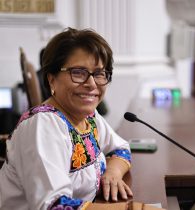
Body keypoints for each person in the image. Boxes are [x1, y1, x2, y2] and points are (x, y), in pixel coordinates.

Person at [0, 27, 133, 210]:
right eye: (78, 72)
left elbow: (121, 149)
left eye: (100, 73)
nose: (92, 84)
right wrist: (131, 209)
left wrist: (112, 173)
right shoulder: (43, 125)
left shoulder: (89, 117)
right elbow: (54, 206)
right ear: (52, 79)